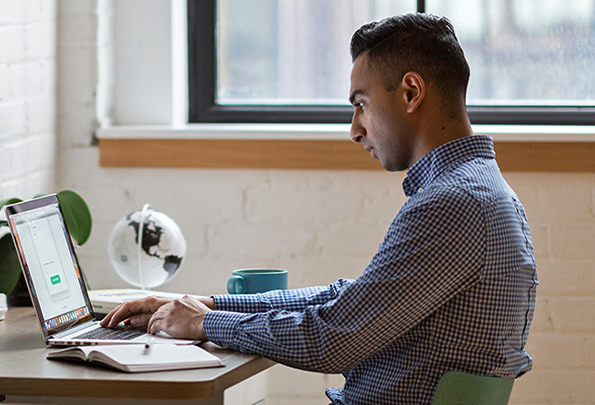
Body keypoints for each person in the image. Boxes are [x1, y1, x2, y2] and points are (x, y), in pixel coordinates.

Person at [101, 12, 538, 404]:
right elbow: (349, 299)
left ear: (410, 92)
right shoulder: (479, 192)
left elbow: (333, 339)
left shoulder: (452, 204)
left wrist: (206, 325)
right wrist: (208, 305)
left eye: (360, 104)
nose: (354, 130)